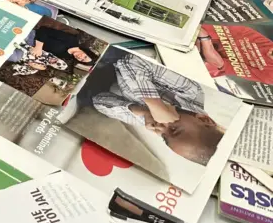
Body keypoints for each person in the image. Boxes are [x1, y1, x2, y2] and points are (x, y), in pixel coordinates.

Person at [92, 52, 225, 165]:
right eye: (174, 129)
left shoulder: (154, 122)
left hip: (107, 76)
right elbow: (130, 60)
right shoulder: (190, 91)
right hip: (122, 53)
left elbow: (98, 101)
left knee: (87, 95)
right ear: (204, 119)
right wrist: (155, 104)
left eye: (164, 138)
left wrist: (143, 111)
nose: (161, 128)